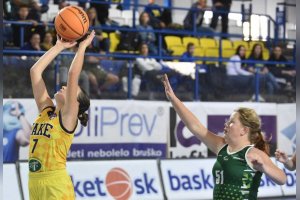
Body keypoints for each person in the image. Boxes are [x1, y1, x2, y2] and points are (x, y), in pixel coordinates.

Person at [162, 73, 286, 199]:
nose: (226, 124)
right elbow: (195, 127)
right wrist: (174, 99)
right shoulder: (222, 147)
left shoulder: (254, 154)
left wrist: (264, 167)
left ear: (244, 130)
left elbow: (282, 179)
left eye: (231, 122)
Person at [28, 31, 94, 199]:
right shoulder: (46, 110)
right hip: (34, 181)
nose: (65, 86)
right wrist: (58, 46)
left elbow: (73, 75)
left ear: (75, 103)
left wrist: (82, 47)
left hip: (56, 184)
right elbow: (35, 71)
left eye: (72, 90)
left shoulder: (68, 118)